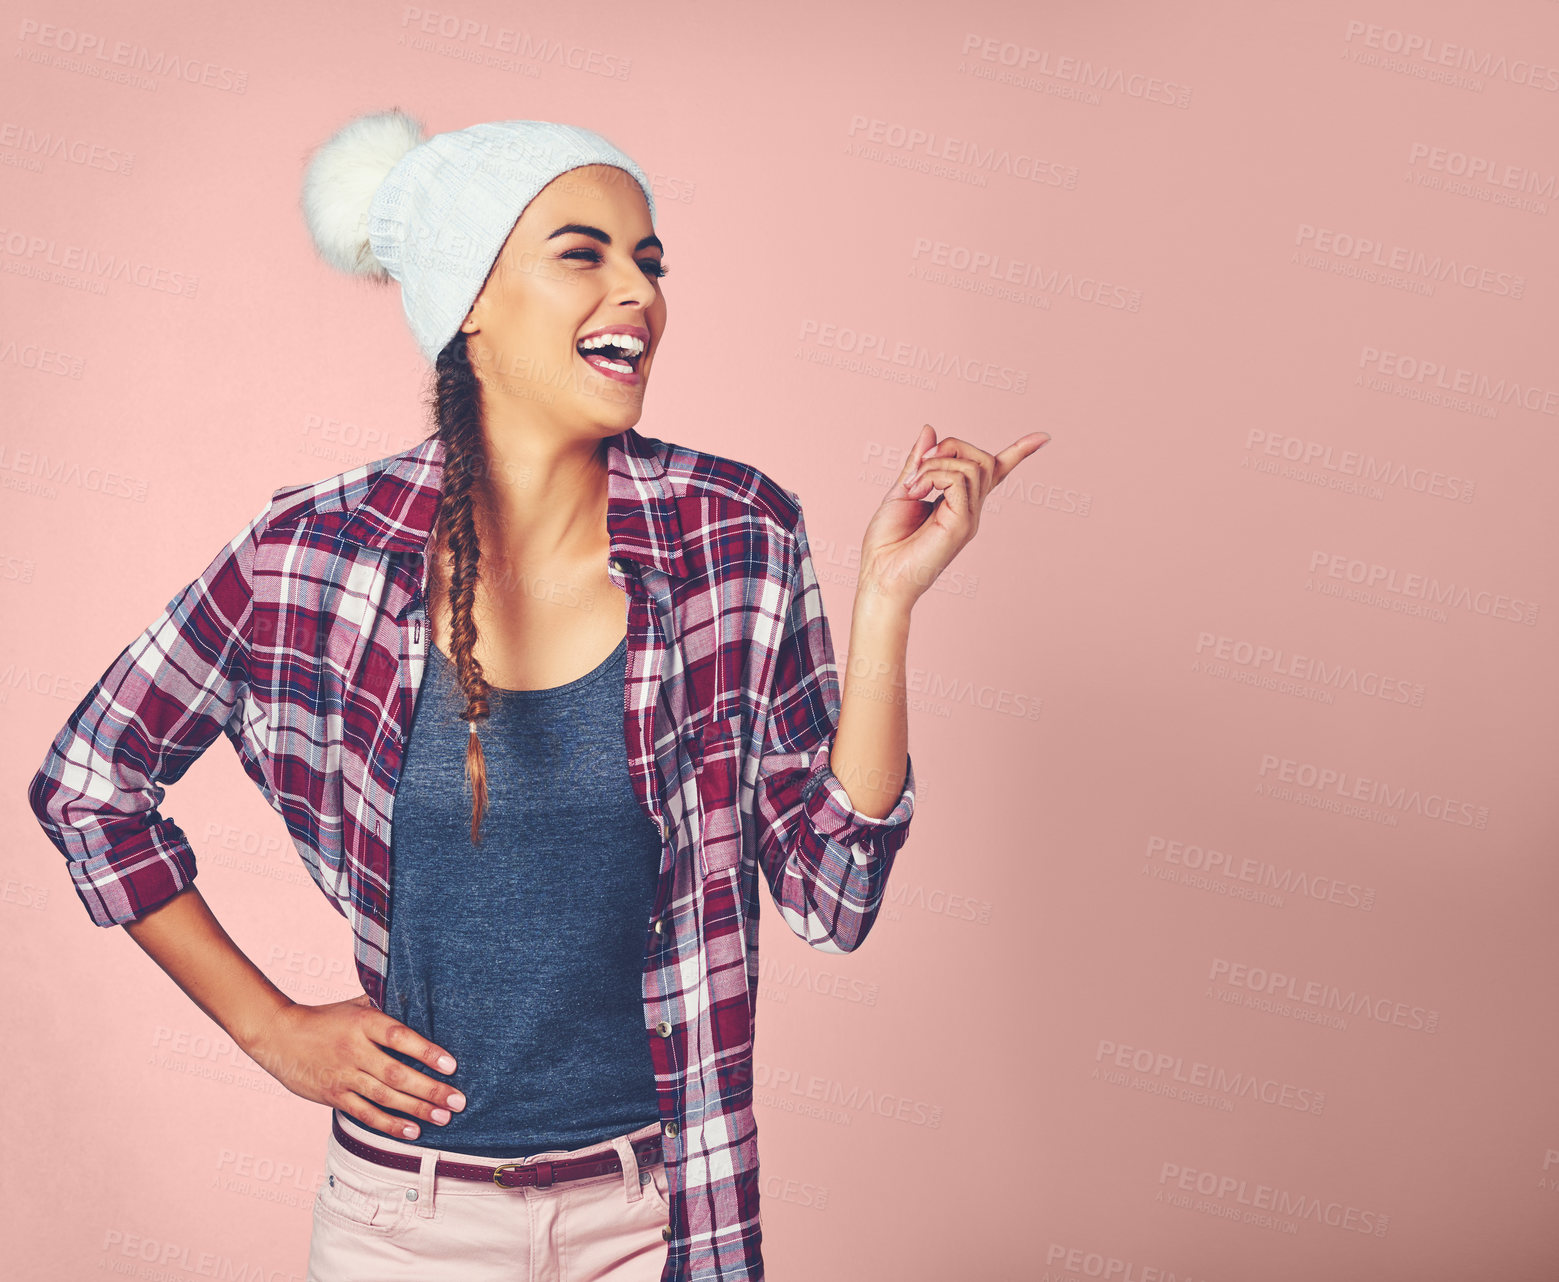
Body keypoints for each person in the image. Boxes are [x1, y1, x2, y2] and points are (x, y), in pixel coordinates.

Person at [26, 109, 1050, 1282]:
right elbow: (91, 783)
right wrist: (268, 1028)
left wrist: (884, 605)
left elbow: (830, 894)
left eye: (648, 260)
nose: (639, 293)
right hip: (404, 1227)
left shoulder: (735, 534)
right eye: (584, 253)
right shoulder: (318, 552)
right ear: (470, 298)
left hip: (657, 1213)